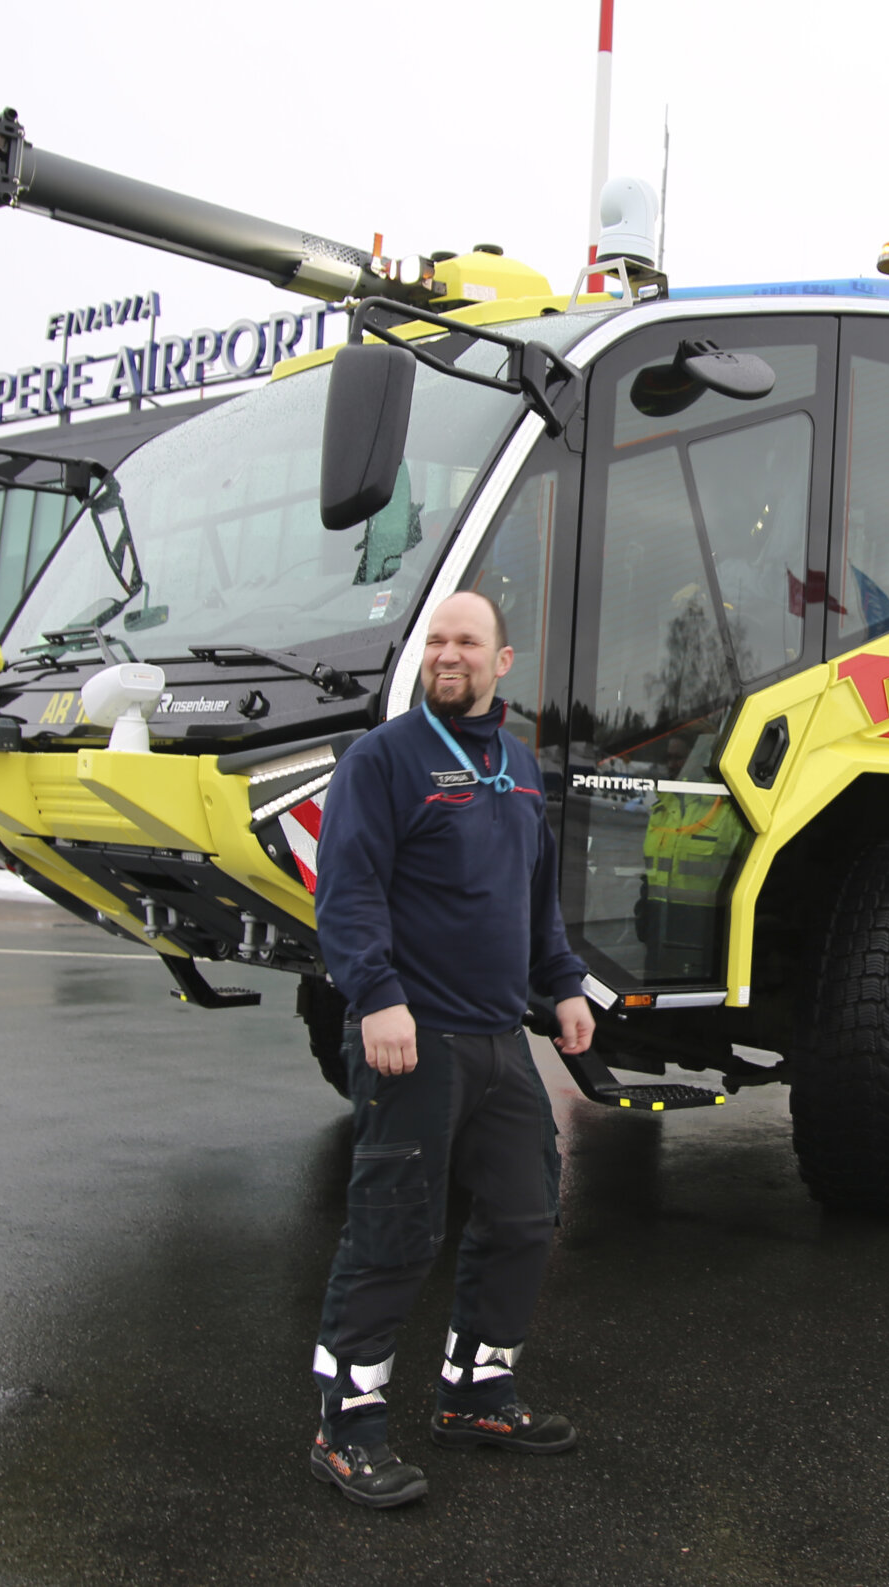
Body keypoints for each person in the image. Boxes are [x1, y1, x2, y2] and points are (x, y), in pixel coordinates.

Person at [307, 589, 598, 1508]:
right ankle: (344, 1429)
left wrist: (560, 983)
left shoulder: (516, 764)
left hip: (499, 1037)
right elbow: (347, 887)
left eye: (466, 641)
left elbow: (533, 896)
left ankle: (477, 1391)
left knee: (522, 1211)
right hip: (412, 1036)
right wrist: (377, 995)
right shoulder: (382, 760)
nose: (447, 653)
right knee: (395, 1232)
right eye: (436, 640)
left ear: (502, 661)